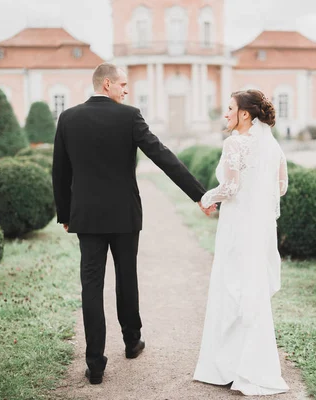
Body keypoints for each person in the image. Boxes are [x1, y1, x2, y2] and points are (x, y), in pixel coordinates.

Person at [52, 63, 216, 385]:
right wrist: (198, 194)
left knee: (91, 286)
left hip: (87, 218)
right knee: (127, 278)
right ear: (108, 84)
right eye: (124, 85)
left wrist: (66, 214)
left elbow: (60, 171)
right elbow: (162, 155)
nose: (127, 91)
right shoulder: (129, 116)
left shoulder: (68, 118)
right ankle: (131, 342)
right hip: (125, 215)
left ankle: (95, 363)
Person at [193, 90, 290, 396]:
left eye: (231, 108)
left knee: (231, 285)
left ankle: (228, 365)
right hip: (258, 227)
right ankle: (252, 365)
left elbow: (231, 186)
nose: (226, 114)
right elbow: (282, 187)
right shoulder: (272, 146)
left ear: (245, 114)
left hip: (236, 225)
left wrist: (206, 197)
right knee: (250, 288)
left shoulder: (234, 142)